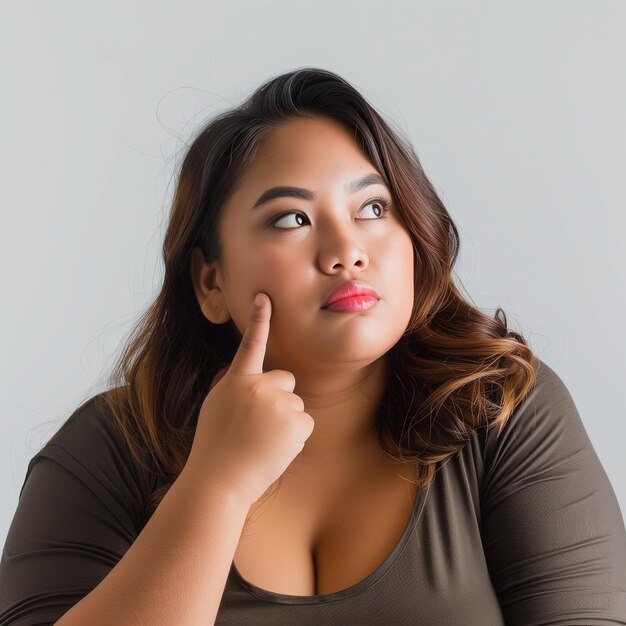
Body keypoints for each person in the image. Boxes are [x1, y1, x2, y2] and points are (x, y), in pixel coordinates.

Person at [1, 67, 625, 626]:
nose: (346, 249)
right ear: (210, 281)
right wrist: (216, 485)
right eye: (291, 219)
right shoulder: (109, 449)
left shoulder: (503, 409)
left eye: (374, 207)